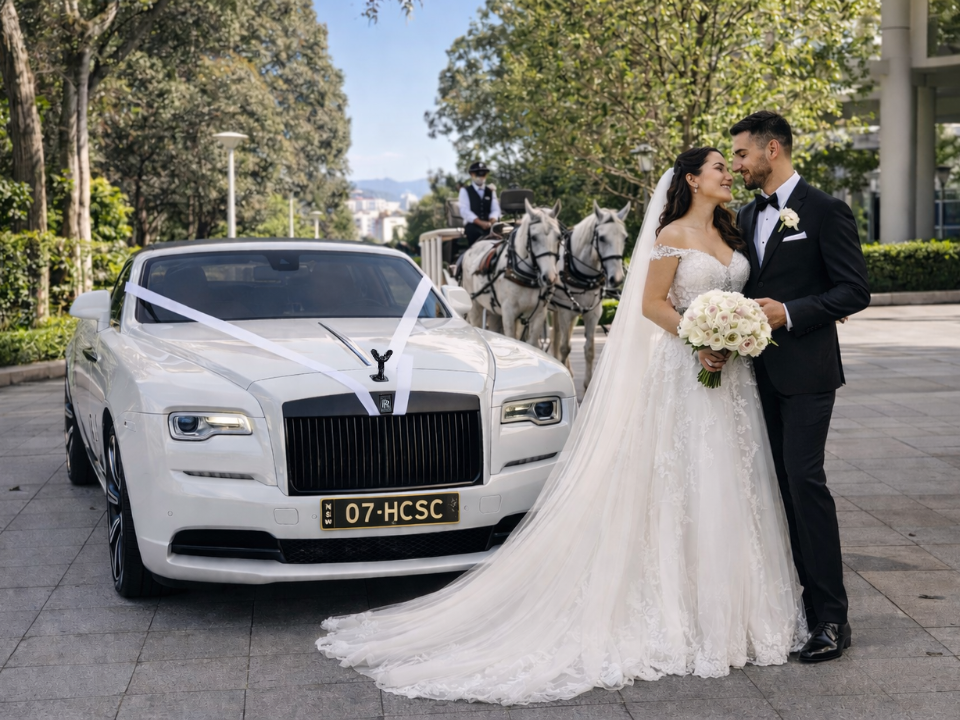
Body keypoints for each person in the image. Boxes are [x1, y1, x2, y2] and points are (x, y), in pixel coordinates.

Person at [316, 148, 807, 706]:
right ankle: (679, 608)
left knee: (732, 482)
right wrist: (701, 339)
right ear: (692, 179)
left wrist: (735, 333)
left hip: (734, 380)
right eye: (720, 166)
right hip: (686, 368)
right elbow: (649, 303)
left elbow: (742, 294)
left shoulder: (734, 230)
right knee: (682, 480)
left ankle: (734, 610)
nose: (729, 173)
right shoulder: (670, 233)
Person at [702, 111, 869, 663]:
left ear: (772, 150)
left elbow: (853, 291)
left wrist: (790, 313)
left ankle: (831, 619)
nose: (739, 166)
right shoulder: (745, 216)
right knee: (773, 490)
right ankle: (793, 606)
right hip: (755, 376)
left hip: (808, 374)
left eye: (743, 155)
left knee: (804, 482)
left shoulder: (826, 211)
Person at [458, 161, 501, 245]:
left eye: (483, 174)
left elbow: (495, 209)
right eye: (477, 174)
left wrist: (491, 221)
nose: (480, 177)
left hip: (490, 225)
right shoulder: (465, 191)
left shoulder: (491, 191)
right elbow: (464, 211)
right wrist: (480, 223)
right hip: (473, 227)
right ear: (471, 174)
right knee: (474, 233)